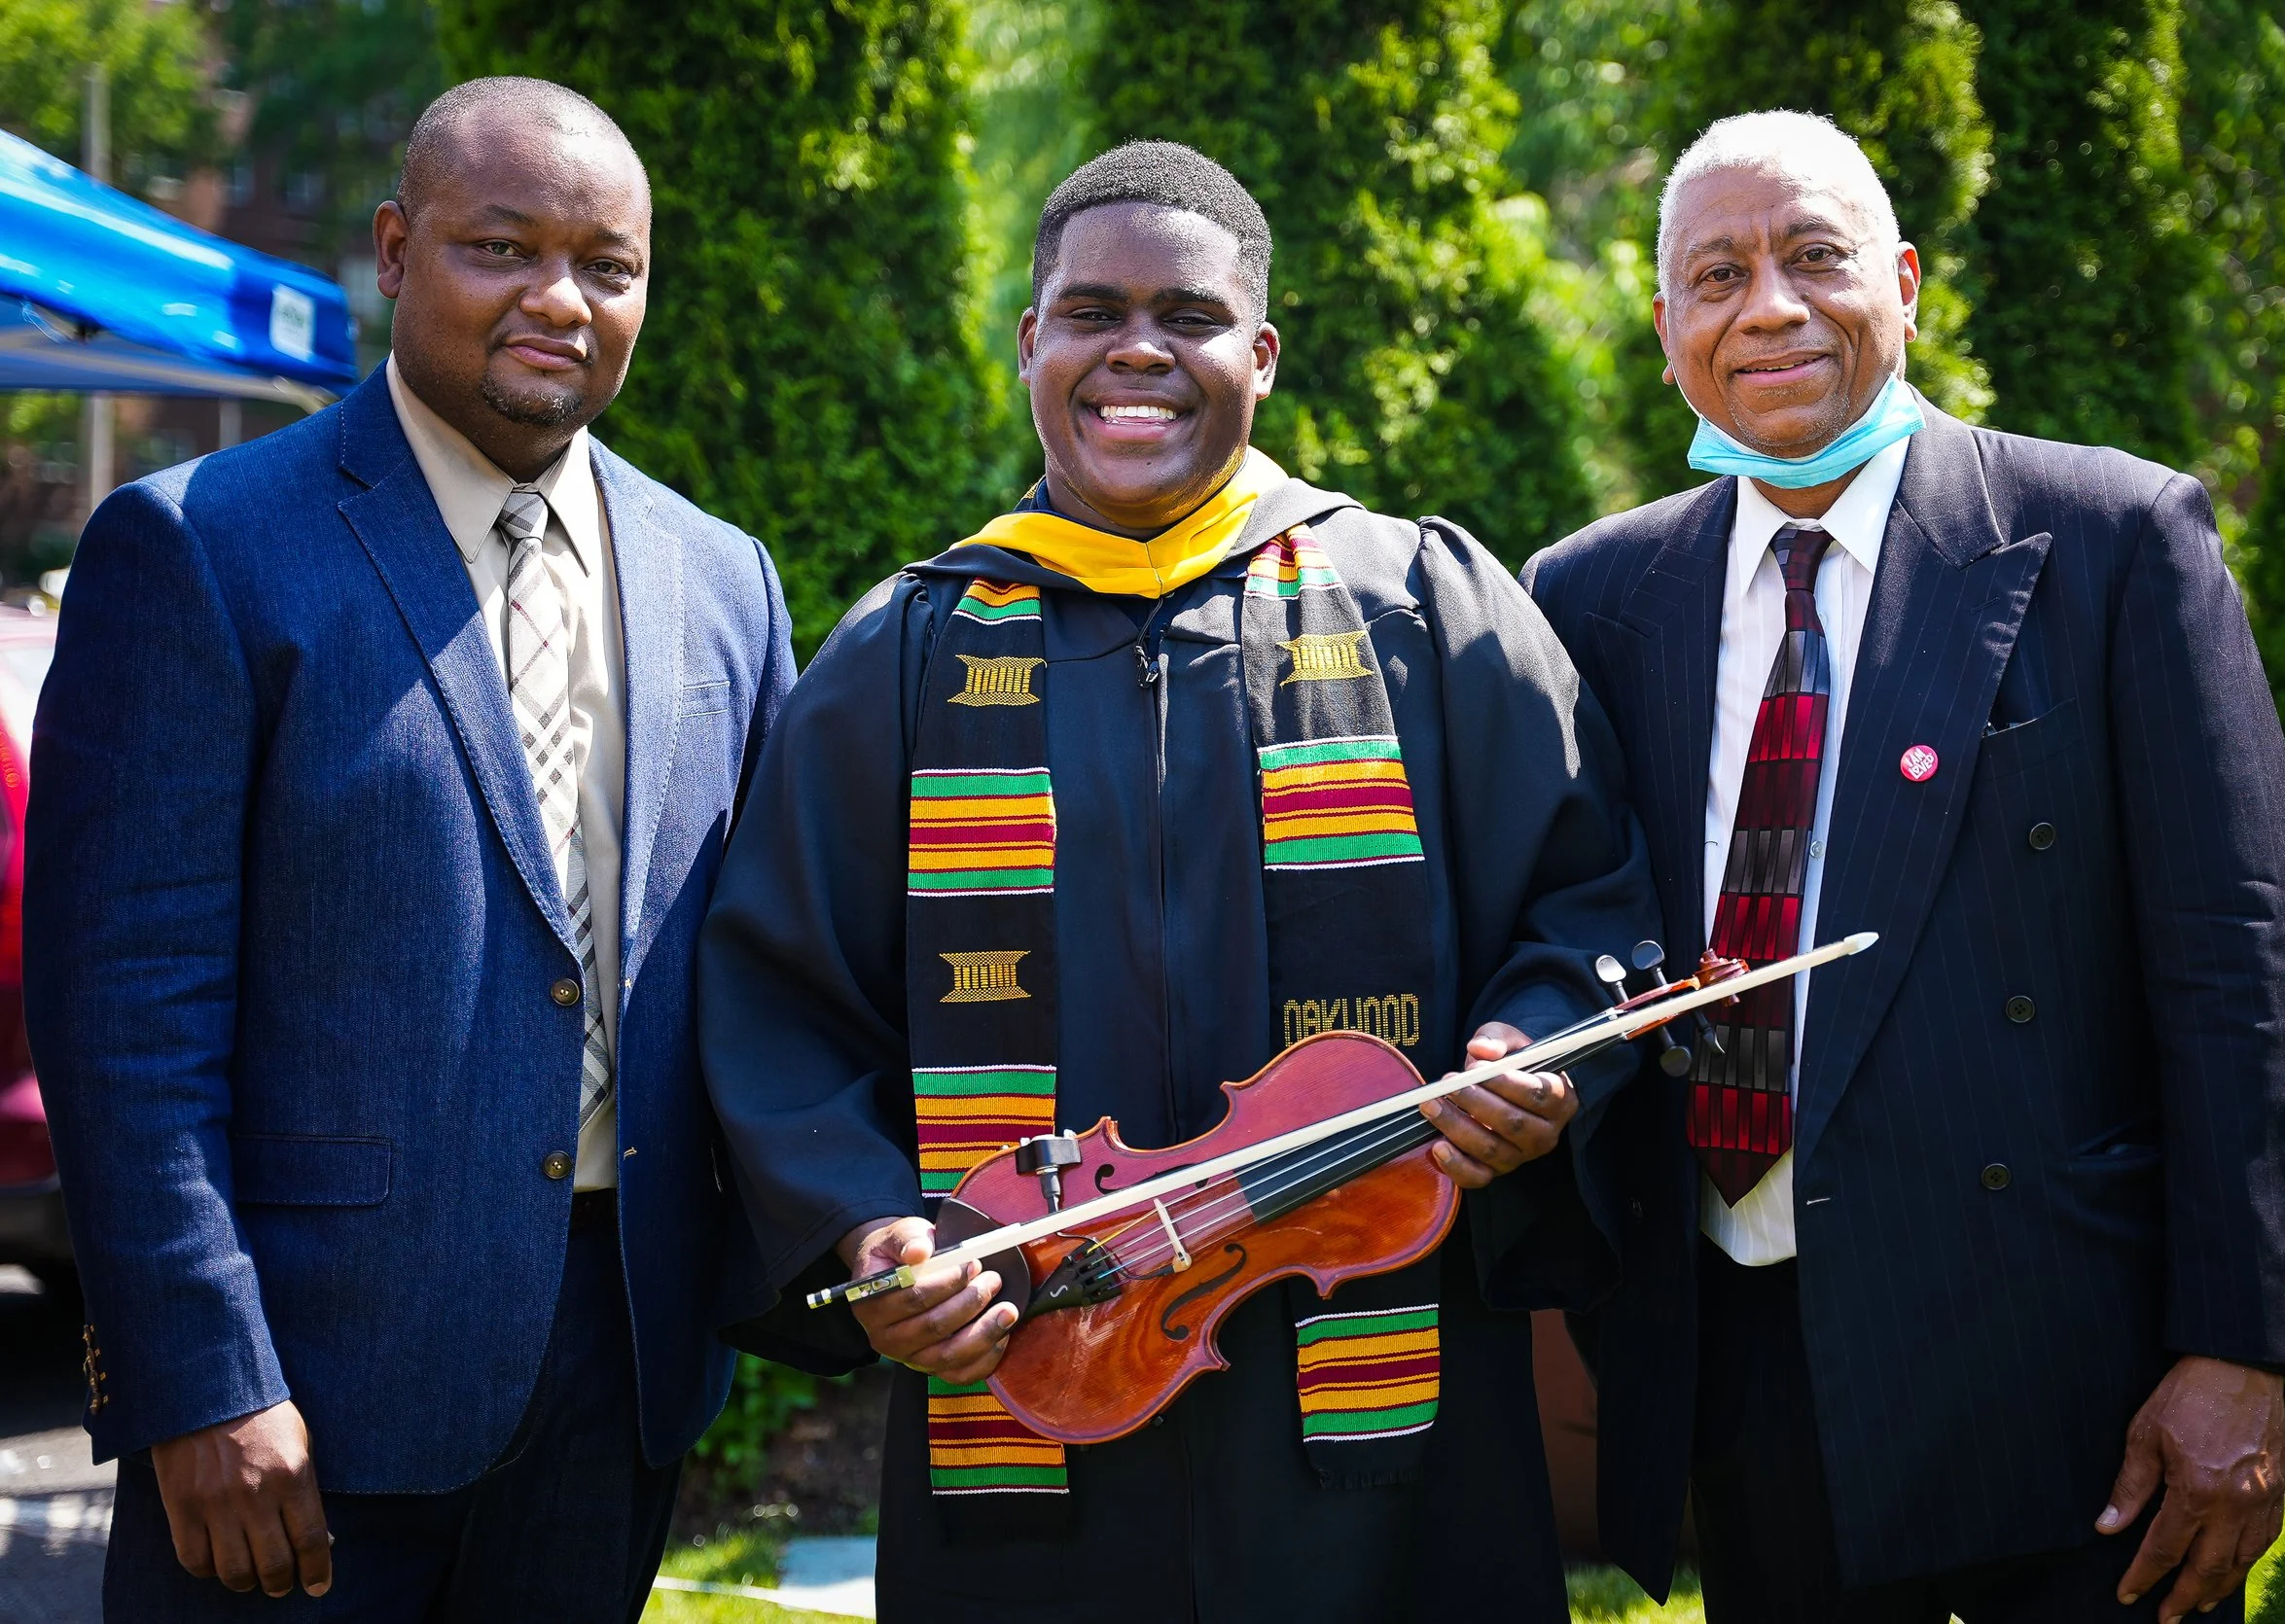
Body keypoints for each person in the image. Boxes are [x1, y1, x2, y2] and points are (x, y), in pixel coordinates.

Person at [697, 139, 1659, 1624]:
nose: (1136, 349)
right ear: (1032, 341)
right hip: (1029, 1380)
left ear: (1260, 353)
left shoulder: (1421, 604)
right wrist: (871, 1226)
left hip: (1374, 1396)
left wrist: (1530, 1057)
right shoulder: (909, 652)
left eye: (1188, 317)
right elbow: (777, 995)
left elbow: (1585, 903)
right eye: (1091, 312)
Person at [1524, 110, 2285, 1624]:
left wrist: (2241, 1349)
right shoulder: (1592, 595)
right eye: (1716, 276)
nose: (1766, 306)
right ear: (1664, 330)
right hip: (1750, 1366)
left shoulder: (2107, 538)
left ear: (1904, 283)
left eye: (1814, 257)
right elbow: (1569, 930)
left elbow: (2243, 964)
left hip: (2070, 1374)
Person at [25, 77, 794, 1618]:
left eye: (610, 265)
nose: (560, 300)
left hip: (614, 1380)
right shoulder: (203, 548)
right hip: (298, 1396)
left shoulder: (724, 580)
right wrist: (199, 1381)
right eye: (502, 248)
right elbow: (123, 1015)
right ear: (393, 250)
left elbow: (772, 971)